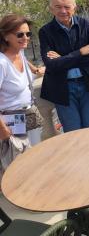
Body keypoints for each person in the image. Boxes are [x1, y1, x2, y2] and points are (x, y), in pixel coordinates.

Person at [39, 0, 89, 131]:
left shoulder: (85, 24)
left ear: (74, 7)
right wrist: (81, 52)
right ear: (51, 8)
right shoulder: (45, 31)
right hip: (63, 88)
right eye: (58, 7)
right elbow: (51, 64)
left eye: (67, 7)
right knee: (73, 132)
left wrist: (63, 59)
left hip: (87, 84)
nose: (63, 11)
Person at [0, 15, 44, 177]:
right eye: (20, 34)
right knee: (18, 167)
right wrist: (3, 129)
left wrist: (39, 70)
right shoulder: (2, 63)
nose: (25, 38)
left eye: (28, 34)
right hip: (11, 119)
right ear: (6, 36)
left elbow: (30, 71)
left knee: (35, 159)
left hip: (28, 114)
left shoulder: (21, 55)